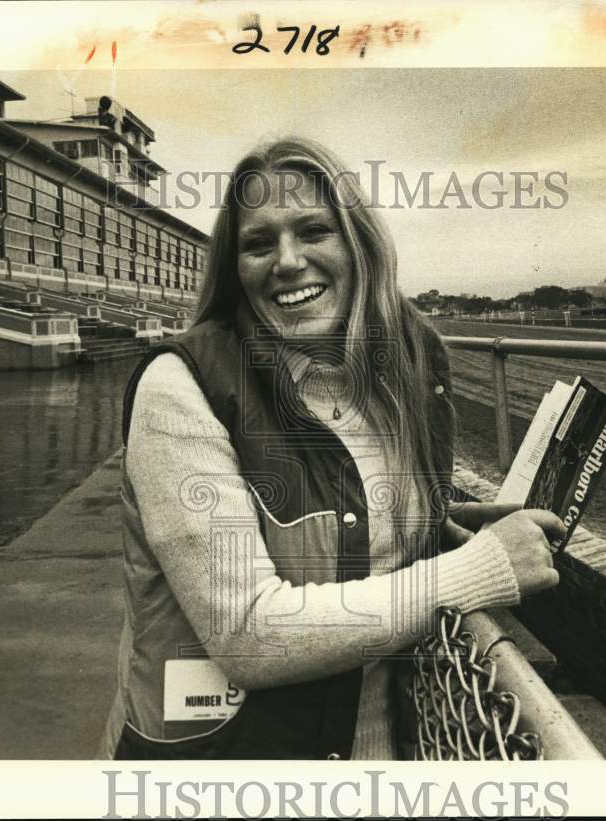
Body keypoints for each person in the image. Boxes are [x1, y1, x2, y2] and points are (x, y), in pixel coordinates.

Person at [98, 137, 562, 761]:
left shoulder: (406, 377)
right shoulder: (182, 387)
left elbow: (357, 543)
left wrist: (441, 527)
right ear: (234, 269)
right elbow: (247, 634)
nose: (287, 261)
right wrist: (484, 569)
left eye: (313, 231)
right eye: (259, 243)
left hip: (383, 751)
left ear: (357, 243)